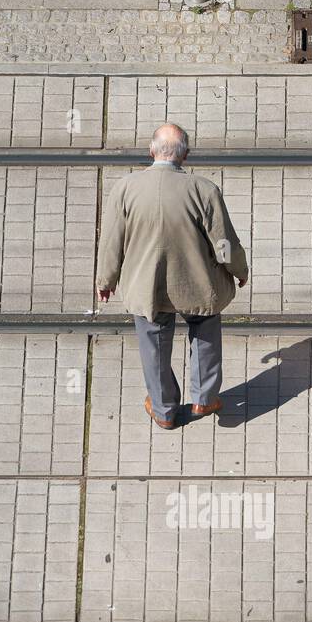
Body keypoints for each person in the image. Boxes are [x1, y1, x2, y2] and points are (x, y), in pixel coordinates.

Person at [96, 123, 248, 429]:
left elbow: (111, 241)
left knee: (153, 345)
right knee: (204, 334)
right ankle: (204, 399)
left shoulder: (125, 189)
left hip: (147, 286)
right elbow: (223, 244)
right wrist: (239, 270)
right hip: (198, 283)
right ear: (186, 156)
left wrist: (106, 281)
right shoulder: (204, 190)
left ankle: (164, 410)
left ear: (151, 151)